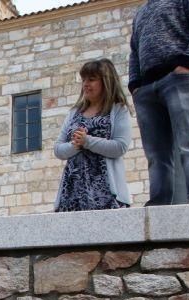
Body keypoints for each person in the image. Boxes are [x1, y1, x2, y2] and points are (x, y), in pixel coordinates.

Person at [128, 0, 189, 205]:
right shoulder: (142, 12)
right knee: (156, 153)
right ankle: (159, 202)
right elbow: (134, 49)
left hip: (180, 76)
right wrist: (135, 83)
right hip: (147, 86)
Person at [53, 59, 133, 212]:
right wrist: (74, 145)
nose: (86, 84)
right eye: (83, 80)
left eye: (92, 79)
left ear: (106, 82)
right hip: (72, 191)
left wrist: (87, 141)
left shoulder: (118, 110)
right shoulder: (74, 113)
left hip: (106, 192)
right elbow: (58, 149)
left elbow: (120, 147)